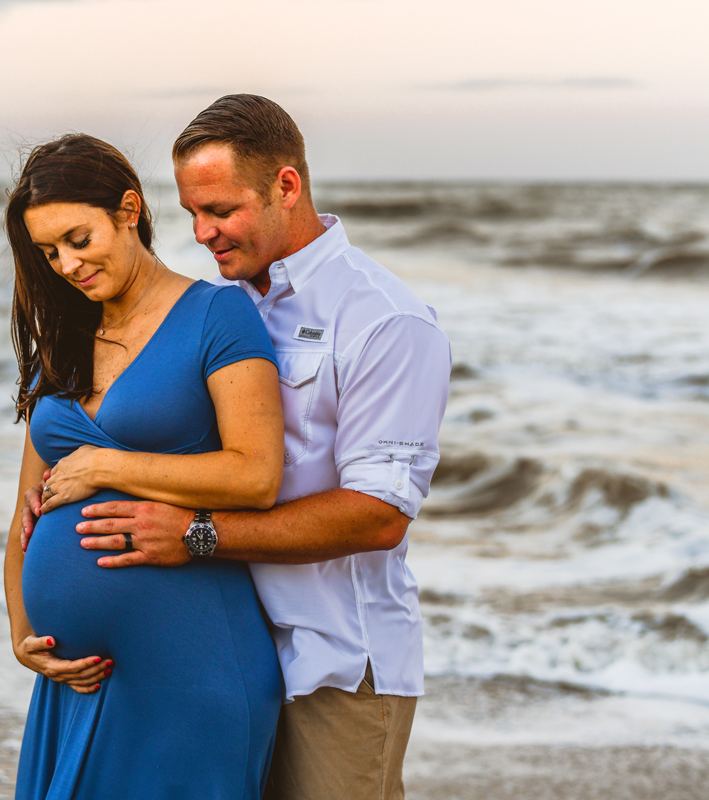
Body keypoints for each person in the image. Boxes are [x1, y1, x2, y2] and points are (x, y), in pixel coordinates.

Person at [23, 96, 452, 800]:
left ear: (287, 187)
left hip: (333, 663)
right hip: (218, 646)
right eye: (192, 213)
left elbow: (379, 515)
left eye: (221, 210)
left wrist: (195, 536)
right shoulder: (224, 303)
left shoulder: (384, 321)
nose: (203, 234)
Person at [1, 133, 286, 800]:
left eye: (78, 238)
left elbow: (256, 474)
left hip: (189, 665)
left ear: (129, 209)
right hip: (77, 678)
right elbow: (23, 516)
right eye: (48, 252)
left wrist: (106, 465)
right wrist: (22, 633)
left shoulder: (219, 315)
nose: (66, 265)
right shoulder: (63, 343)